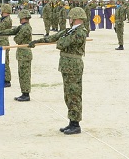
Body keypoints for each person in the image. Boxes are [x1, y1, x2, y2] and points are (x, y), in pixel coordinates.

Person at [29, 7, 88, 135]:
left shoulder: (80, 32)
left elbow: (61, 43)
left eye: (71, 17)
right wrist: (37, 41)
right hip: (67, 66)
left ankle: (76, 124)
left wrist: (60, 39)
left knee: (74, 95)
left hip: (74, 66)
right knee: (68, 94)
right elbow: (54, 37)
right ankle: (72, 121)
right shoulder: (70, 31)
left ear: (75, 18)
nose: (69, 19)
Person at [0, 9, 33, 101]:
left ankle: (26, 94)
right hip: (22, 53)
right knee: (22, 73)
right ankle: (24, 92)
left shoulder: (26, 28)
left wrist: (15, 34)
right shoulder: (23, 27)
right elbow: (12, 31)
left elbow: (17, 39)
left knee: (24, 74)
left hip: (25, 53)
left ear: (23, 18)